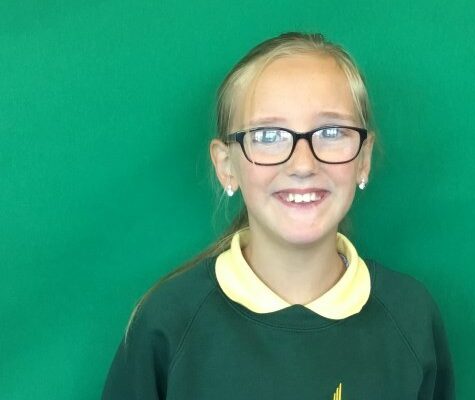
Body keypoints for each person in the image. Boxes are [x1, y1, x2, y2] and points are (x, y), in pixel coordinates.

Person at [102, 32, 454, 400]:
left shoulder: (411, 316)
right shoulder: (166, 324)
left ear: (363, 159)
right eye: (268, 136)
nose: (303, 164)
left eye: (331, 132)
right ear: (226, 166)